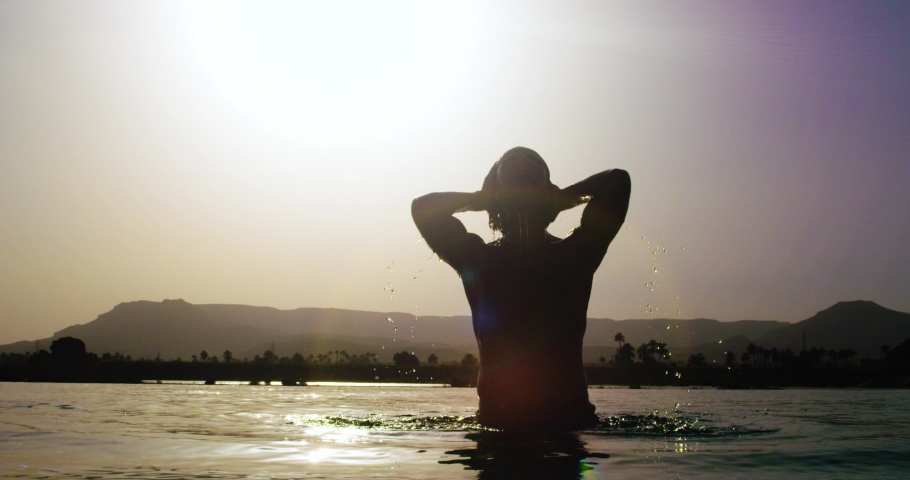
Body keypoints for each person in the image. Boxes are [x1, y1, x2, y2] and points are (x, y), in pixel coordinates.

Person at [411, 147, 631, 432]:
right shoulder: (478, 260)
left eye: (532, 163)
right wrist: (483, 200)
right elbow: (422, 208)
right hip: (497, 425)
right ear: (495, 188)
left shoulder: (576, 255)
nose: (523, 166)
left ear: (547, 188)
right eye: (512, 162)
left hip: (568, 424)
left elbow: (617, 182)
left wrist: (564, 199)